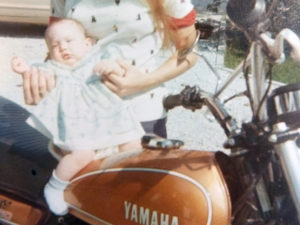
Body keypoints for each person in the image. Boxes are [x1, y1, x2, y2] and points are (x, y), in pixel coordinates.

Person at [11, 18, 145, 215]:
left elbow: (118, 67)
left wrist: (110, 67)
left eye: (69, 41)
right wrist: (24, 70)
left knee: (133, 145)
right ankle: (56, 186)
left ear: (87, 44)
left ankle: (124, 187)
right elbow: (38, 73)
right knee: (82, 154)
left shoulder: (97, 59)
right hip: (79, 128)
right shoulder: (55, 70)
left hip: (110, 122)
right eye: (55, 45)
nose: (63, 47)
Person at [20, 0, 199, 139]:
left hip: (141, 115)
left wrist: (143, 82)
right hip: (79, 114)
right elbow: (57, 44)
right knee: (75, 183)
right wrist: (44, 76)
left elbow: (190, 51)